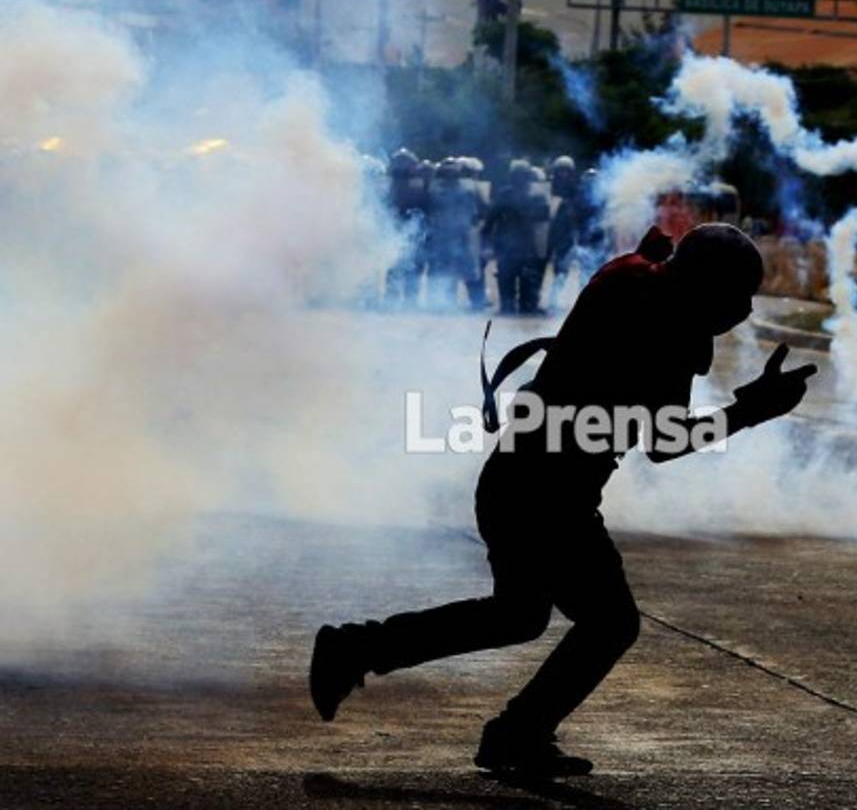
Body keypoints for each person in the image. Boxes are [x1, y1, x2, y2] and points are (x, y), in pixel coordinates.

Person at [309, 223, 817, 778]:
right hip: (548, 496)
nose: (738, 312)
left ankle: (362, 652)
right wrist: (753, 411)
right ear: (703, 286)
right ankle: (510, 731)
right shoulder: (667, 321)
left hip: (522, 481)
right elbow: (665, 445)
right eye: (731, 297)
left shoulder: (635, 277)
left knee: (519, 616)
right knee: (610, 624)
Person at [483, 160, 551, 315]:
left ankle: (528, 307)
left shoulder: (537, 196)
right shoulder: (505, 195)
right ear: (512, 176)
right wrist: (486, 243)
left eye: (522, 175)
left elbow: (544, 222)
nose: (520, 179)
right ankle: (511, 308)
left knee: (528, 297)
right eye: (517, 175)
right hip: (507, 247)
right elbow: (490, 220)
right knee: (507, 291)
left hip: (527, 247)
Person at [427, 157, 488, 309]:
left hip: (445, 235)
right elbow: (484, 209)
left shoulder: (432, 189)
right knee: (467, 270)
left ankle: (448, 303)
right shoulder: (471, 187)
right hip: (462, 234)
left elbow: (427, 212)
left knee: (449, 270)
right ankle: (476, 302)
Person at [384, 148, 429, 308]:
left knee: (396, 266)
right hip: (412, 233)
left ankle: (392, 301)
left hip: (396, 232)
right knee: (412, 267)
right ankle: (410, 301)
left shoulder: (387, 189)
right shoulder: (418, 188)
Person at [545, 156, 579, 309]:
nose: (563, 174)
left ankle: (554, 299)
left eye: (566, 171)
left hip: (566, 233)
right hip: (549, 232)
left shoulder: (575, 189)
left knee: (561, 268)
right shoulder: (548, 187)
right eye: (560, 171)